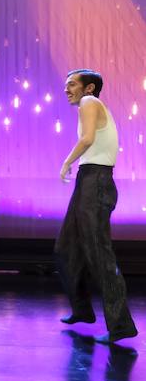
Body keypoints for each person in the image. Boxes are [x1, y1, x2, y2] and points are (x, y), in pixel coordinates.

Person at [56, 69, 137, 344]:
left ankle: (121, 325)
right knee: (66, 247)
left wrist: (67, 161)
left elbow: (87, 138)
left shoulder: (90, 103)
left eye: (72, 85)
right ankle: (82, 310)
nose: (66, 89)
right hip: (88, 180)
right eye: (65, 85)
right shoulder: (89, 104)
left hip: (97, 181)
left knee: (100, 256)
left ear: (89, 88)